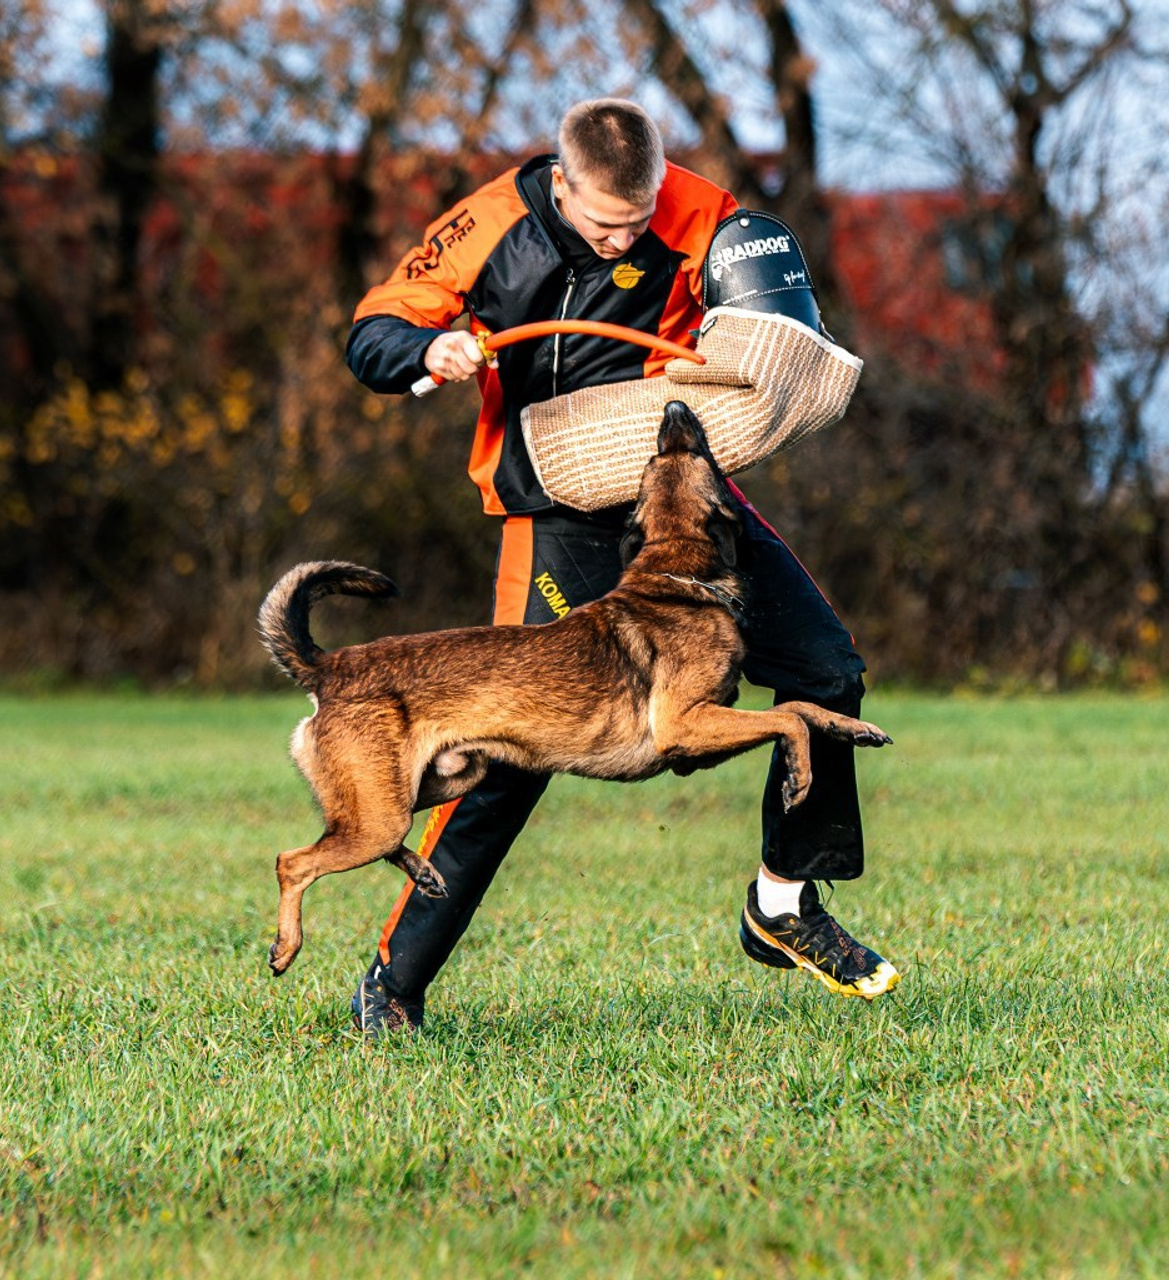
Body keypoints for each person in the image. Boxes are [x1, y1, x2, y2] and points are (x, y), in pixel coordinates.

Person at [344, 98, 899, 1036]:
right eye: (606, 223)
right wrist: (427, 348)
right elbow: (374, 330)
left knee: (827, 667)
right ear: (562, 184)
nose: (625, 239)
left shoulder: (702, 213)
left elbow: (772, 325)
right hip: (551, 507)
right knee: (504, 762)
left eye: (639, 221)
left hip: (674, 495)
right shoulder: (491, 223)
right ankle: (393, 986)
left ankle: (783, 905)